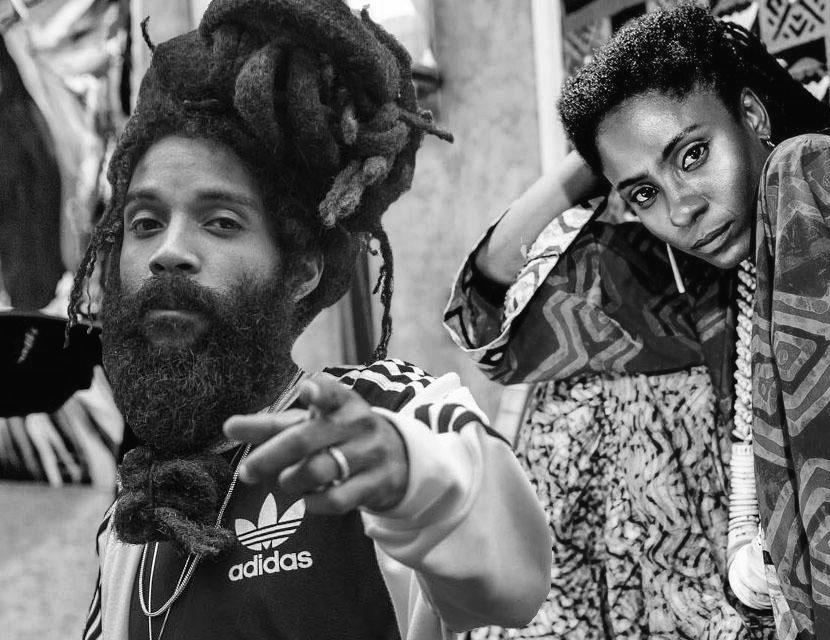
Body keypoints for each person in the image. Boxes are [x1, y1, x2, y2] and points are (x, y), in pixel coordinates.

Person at [444, 5, 830, 640]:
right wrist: (597, 153)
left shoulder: (814, 174)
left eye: (693, 154)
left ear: (754, 116)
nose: (682, 209)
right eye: (644, 193)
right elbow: (497, 313)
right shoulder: (718, 288)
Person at [71, 1, 551, 638]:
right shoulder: (134, 520)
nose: (169, 251)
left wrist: (416, 480)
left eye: (221, 222)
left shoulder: (386, 417)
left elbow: (519, 582)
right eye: (145, 223)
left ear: (300, 270)